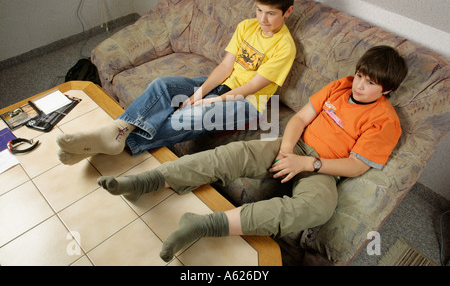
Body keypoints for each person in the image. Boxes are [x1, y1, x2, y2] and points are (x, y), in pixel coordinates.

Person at [96, 45, 408, 262]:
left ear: (387, 91)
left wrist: (308, 164)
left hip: (322, 168)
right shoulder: (341, 85)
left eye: (370, 84)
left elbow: (355, 166)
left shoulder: (386, 121)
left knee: (319, 209)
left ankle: (204, 225)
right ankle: (146, 182)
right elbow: (299, 118)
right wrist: (287, 151)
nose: (360, 86)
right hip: (291, 145)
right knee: (233, 155)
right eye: (361, 77)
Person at [56, 0, 296, 165]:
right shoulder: (247, 26)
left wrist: (210, 101)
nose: (262, 19)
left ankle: (115, 145)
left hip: (248, 104)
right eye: (259, 10)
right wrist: (201, 93)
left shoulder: (285, 47)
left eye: (271, 13)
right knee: (164, 86)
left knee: (185, 117)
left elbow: (253, 87)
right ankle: (118, 129)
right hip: (226, 84)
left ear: (288, 12)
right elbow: (225, 67)